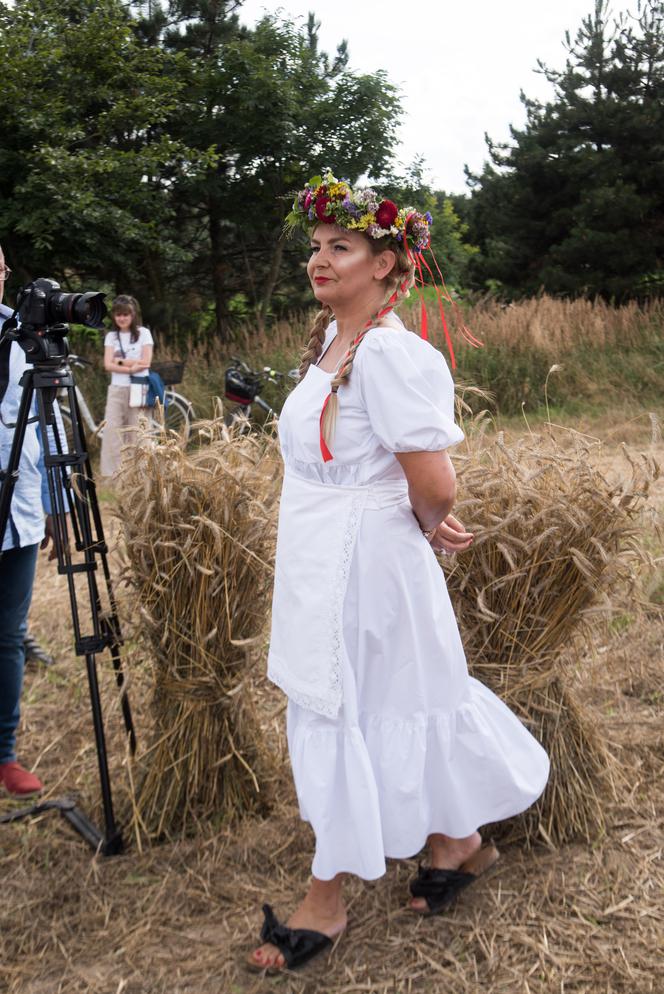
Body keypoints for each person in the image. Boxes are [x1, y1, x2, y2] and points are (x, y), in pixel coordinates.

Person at [247, 172, 550, 972]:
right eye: (317, 246)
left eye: (341, 247)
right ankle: (458, 844)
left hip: (366, 562)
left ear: (385, 264)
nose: (321, 260)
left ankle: (327, 899)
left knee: (345, 706)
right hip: (322, 549)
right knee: (386, 699)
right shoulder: (331, 342)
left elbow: (435, 481)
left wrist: (419, 524)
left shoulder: (388, 353)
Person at [0, 242, 62, 796]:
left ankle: (5, 754)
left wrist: (58, 506)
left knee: (9, 635)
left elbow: (50, 421)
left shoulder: (24, 335)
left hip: (17, 512)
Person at [99, 294, 153, 480]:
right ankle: (113, 474)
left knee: (139, 431)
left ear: (133, 314)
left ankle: (141, 472)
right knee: (112, 431)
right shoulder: (111, 336)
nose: (122, 318)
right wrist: (131, 365)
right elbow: (108, 365)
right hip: (117, 389)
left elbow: (146, 362)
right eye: (118, 314)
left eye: (126, 314)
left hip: (139, 387)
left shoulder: (144, 333)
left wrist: (119, 361)